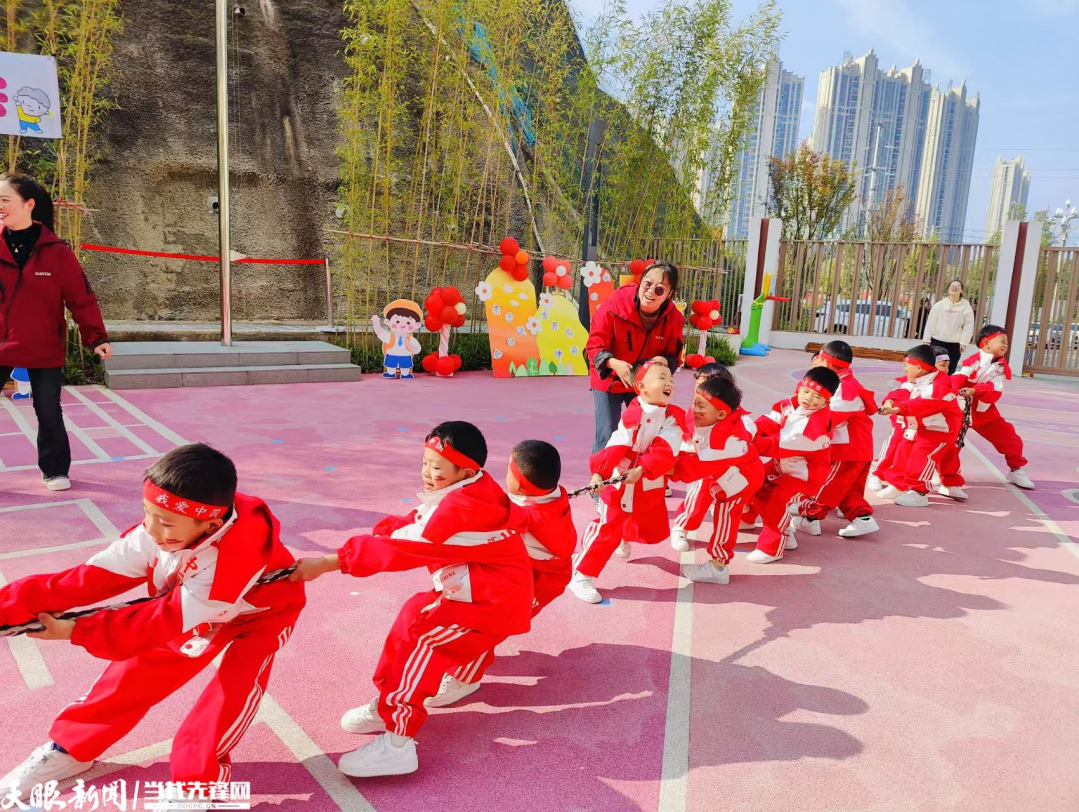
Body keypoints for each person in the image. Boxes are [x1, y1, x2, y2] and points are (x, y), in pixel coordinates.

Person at [0, 444, 306, 810]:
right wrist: (9, 608)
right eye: (147, 512)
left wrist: (75, 630)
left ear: (209, 524)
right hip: (189, 602)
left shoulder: (234, 559)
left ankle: (196, 787)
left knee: (229, 694)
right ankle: (70, 749)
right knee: (134, 673)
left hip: (261, 613)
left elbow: (163, 620)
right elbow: (88, 578)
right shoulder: (168, 524)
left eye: (165, 523)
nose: (151, 528)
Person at [290, 421, 533, 778]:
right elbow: (417, 521)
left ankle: (397, 742)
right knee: (415, 615)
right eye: (425, 463)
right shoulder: (475, 488)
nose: (427, 474)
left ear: (465, 472)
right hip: (490, 589)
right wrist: (383, 530)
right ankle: (432, 689)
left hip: (487, 603)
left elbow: (402, 547)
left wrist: (330, 562)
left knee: (420, 637)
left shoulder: (461, 510)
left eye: (437, 468)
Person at [428, 439, 576, 708]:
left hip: (537, 582)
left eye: (508, 470)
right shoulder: (550, 496)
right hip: (537, 572)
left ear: (520, 485)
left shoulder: (521, 519)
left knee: (487, 624)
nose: (503, 474)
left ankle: (464, 679)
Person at [0, 173, 112, 491]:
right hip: (1, 342)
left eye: (5, 200)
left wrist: (96, 336)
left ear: (29, 204)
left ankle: (55, 470)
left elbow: (81, 298)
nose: (0, 206)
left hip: (44, 344)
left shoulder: (56, 250)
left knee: (48, 410)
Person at [571, 360, 686, 603]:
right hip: (621, 479)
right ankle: (581, 573)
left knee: (647, 523)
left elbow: (666, 448)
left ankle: (622, 536)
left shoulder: (672, 418)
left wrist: (643, 469)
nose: (669, 383)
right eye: (662, 378)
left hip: (648, 480)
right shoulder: (633, 414)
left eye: (670, 379)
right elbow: (616, 443)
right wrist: (599, 472)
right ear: (641, 386)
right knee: (608, 528)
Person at [670, 375, 764, 584]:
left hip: (741, 480)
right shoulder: (711, 416)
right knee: (705, 497)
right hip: (724, 471)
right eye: (694, 402)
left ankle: (718, 567)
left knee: (726, 514)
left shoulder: (725, 442)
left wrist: (655, 467)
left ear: (721, 414)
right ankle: (683, 526)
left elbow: (691, 469)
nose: (694, 409)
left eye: (700, 406)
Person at [585, 261, 685, 455]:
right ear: (641, 282)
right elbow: (595, 344)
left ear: (669, 294)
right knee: (607, 434)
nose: (650, 292)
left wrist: (661, 362)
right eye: (647, 284)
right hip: (609, 377)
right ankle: (602, 473)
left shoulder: (674, 319)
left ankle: (639, 471)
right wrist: (614, 363)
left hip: (645, 383)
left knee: (645, 432)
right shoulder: (615, 303)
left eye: (659, 289)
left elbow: (673, 355)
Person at [750, 366, 839, 563]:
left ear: (827, 401)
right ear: (799, 387)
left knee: (774, 498)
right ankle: (750, 519)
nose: (808, 398)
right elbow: (769, 423)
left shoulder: (816, 426)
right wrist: (748, 430)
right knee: (750, 479)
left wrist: (744, 442)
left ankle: (772, 547)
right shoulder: (788, 405)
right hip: (781, 465)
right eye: (806, 391)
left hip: (805, 475)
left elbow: (778, 445)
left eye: (817, 396)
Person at [792, 341, 880, 538]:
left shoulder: (843, 388)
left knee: (828, 485)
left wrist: (795, 428)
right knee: (848, 489)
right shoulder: (847, 384)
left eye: (819, 357)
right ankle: (863, 519)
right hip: (858, 448)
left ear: (825, 361)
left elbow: (828, 418)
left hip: (847, 450)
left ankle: (811, 518)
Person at [877, 345, 962, 507]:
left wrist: (897, 409)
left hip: (939, 430)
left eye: (906, 366)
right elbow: (902, 392)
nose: (904, 370)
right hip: (919, 427)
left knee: (920, 457)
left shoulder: (941, 385)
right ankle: (898, 485)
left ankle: (919, 492)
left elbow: (924, 404)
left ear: (918, 367)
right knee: (903, 452)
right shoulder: (919, 378)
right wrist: (890, 401)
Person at [952, 325, 1034, 490]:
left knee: (1010, 439)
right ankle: (946, 473)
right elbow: (958, 379)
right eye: (1002, 341)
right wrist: (953, 390)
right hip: (961, 410)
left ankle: (1016, 469)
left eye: (1007, 342)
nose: (1005, 345)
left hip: (985, 412)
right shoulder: (972, 361)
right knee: (950, 442)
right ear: (986, 343)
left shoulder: (1001, 367)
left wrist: (975, 391)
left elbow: (994, 392)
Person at [922, 279, 974, 374]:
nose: (954, 287)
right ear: (948, 289)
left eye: (957, 286)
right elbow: (931, 323)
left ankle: (948, 383)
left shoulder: (966, 307)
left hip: (955, 344)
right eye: (952, 286)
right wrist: (926, 340)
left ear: (961, 290)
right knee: (934, 366)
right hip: (937, 341)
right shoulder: (939, 305)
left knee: (950, 367)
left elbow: (968, 326)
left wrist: (964, 343)